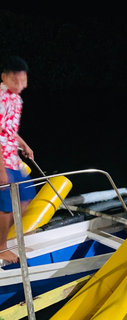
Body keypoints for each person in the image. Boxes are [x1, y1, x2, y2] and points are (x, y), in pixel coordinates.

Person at [0, 56, 36, 263]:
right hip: (1, 160)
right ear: (5, 77)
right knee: (6, 204)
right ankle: (1, 247)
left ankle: (5, 235)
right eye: (16, 80)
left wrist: (24, 144)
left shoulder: (17, 99)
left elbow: (9, 129)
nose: (21, 85)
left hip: (12, 156)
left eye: (24, 81)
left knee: (26, 196)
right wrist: (0, 169)